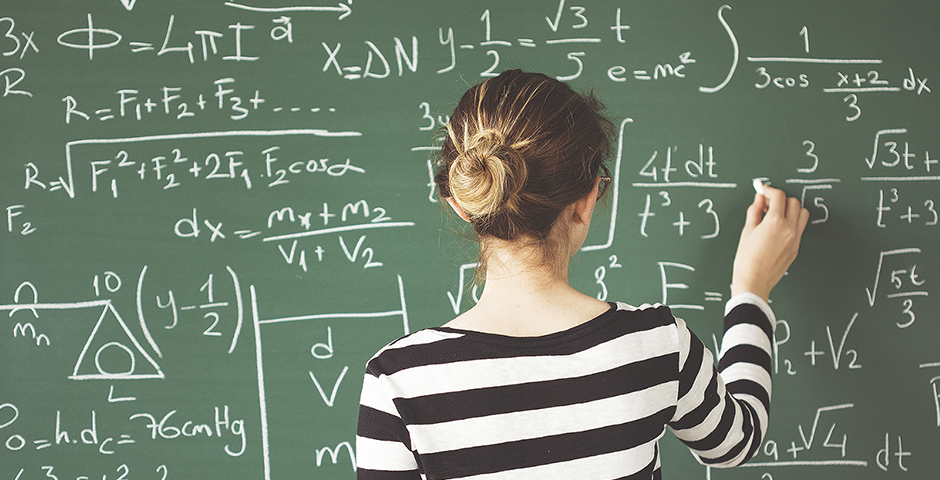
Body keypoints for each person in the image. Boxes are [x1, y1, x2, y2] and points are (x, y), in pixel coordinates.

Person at [355, 70, 809, 479]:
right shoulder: (655, 346)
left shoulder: (399, 380)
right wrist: (752, 290)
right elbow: (735, 442)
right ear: (588, 198)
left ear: (463, 205)